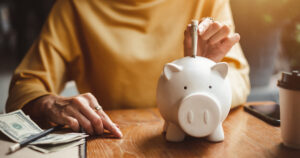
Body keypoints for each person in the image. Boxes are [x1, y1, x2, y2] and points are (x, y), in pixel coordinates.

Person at [6, 0, 250, 138]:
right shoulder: (75, 6)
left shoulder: (205, 2)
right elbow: (24, 87)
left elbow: (239, 78)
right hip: (112, 141)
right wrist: (49, 103)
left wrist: (204, 72)